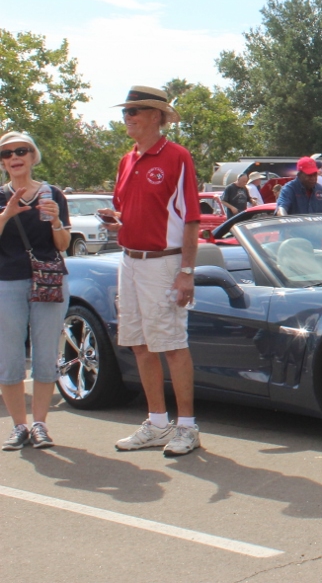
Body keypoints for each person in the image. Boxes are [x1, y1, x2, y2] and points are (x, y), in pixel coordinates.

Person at [98, 86, 202, 456]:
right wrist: (119, 222)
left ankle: (187, 427)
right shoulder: (127, 160)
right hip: (130, 260)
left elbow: (192, 219)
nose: (128, 117)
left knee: (173, 344)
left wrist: (186, 270)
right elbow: (127, 211)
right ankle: (158, 423)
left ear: (157, 116)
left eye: (135, 110)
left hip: (165, 263)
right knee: (141, 345)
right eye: (126, 111)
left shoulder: (177, 157)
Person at [0, 132, 70, 450]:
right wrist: (6, 215)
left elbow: (63, 245)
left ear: (33, 156)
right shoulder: (0, 196)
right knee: (10, 358)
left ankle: (40, 424)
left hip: (49, 279)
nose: (14, 157)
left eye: (21, 151)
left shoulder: (51, 194)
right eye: (6, 153)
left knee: (45, 356)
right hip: (7, 282)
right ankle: (19, 427)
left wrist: (56, 221)